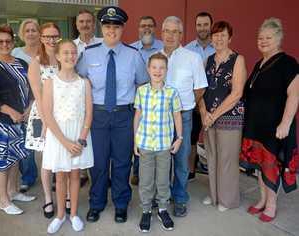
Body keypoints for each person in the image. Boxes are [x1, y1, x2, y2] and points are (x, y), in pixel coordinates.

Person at [76, 6, 149, 223]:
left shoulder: (133, 55)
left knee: (121, 162)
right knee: (98, 163)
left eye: (116, 26)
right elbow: (78, 82)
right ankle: (96, 203)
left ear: (122, 28)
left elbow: (143, 85)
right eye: (107, 26)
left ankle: (120, 203)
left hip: (123, 116)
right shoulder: (88, 54)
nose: (111, 30)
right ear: (101, 27)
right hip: (97, 115)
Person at [240, 18, 299, 222]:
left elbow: (294, 94)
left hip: (274, 127)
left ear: (279, 38)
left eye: (269, 37)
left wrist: (286, 123)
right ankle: (262, 200)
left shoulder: (288, 63)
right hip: (256, 125)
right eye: (260, 37)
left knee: (270, 165)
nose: (263, 41)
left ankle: (272, 205)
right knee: (259, 165)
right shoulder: (259, 64)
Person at [0, 23, 35, 215]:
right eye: (0, 41)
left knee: (15, 158)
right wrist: (9, 111)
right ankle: (3, 201)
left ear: (13, 42)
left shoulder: (22, 64)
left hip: (20, 121)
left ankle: (13, 192)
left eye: (7, 41)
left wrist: (30, 107)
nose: (4, 44)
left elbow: (31, 87)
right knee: (0, 162)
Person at [42, 40, 94, 234]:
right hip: (59, 136)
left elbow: (89, 112)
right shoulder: (50, 82)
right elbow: (47, 114)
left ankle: (73, 214)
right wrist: (64, 142)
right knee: (60, 176)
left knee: (75, 175)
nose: (70, 56)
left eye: (73, 53)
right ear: (57, 56)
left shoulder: (84, 83)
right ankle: (60, 215)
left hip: (78, 135)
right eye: (65, 53)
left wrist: (81, 139)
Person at [161, 16, 208, 217]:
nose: (170, 35)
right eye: (167, 31)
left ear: (181, 35)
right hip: (159, 118)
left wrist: (184, 106)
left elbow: (200, 88)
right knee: (161, 161)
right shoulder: (154, 56)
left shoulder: (192, 57)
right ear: (161, 33)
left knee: (181, 160)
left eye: (175, 32)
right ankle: (162, 197)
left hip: (184, 116)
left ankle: (180, 197)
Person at [200, 21, 247, 212]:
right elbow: (200, 89)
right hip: (209, 117)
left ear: (230, 38)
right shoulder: (208, 60)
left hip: (230, 117)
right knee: (212, 156)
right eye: (215, 35)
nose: (218, 38)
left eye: (223, 35)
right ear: (211, 38)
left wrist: (214, 115)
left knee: (227, 159)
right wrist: (204, 113)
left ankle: (227, 200)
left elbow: (236, 93)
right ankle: (214, 196)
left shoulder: (238, 59)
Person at [134, 52, 182, 232]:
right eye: (154, 67)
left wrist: (179, 138)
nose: (157, 71)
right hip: (145, 144)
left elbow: (177, 115)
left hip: (164, 146)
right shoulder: (141, 91)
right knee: (146, 180)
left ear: (167, 70)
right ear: (148, 69)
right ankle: (146, 210)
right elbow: (138, 115)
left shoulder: (171, 93)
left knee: (162, 180)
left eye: (161, 67)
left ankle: (162, 209)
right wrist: (134, 140)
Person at [26, 22, 60, 218]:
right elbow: (38, 97)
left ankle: (64, 196)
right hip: (42, 116)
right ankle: (48, 198)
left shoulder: (64, 58)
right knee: (46, 161)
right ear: (41, 38)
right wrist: (47, 122)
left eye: (55, 36)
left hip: (63, 116)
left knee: (62, 159)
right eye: (47, 36)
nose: (51, 40)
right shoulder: (36, 62)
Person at [130, 15, 164, 186]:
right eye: (143, 25)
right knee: (139, 136)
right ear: (138, 28)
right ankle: (137, 172)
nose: (147, 28)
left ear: (155, 28)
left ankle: (158, 176)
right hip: (138, 101)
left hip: (158, 102)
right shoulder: (131, 49)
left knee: (157, 138)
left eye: (150, 25)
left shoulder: (163, 49)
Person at [73, 9, 102, 187]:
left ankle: (99, 173)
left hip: (97, 99)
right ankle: (81, 172)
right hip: (76, 100)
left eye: (88, 21)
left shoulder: (102, 44)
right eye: (81, 21)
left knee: (96, 139)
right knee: (79, 133)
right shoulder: (70, 46)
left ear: (94, 24)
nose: (85, 25)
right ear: (76, 24)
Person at [185, 12, 215, 181]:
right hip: (195, 102)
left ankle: (214, 173)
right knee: (192, 137)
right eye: (199, 25)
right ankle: (191, 170)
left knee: (213, 140)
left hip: (215, 104)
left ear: (211, 26)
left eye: (205, 24)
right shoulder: (188, 49)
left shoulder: (218, 47)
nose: (202, 28)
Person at [12, 18, 40, 193]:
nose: (30, 33)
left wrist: (34, 104)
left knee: (46, 141)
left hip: (42, 102)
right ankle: (28, 177)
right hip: (21, 103)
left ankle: (54, 175)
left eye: (34, 30)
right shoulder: (15, 52)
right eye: (27, 30)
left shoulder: (46, 52)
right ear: (22, 34)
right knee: (27, 143)